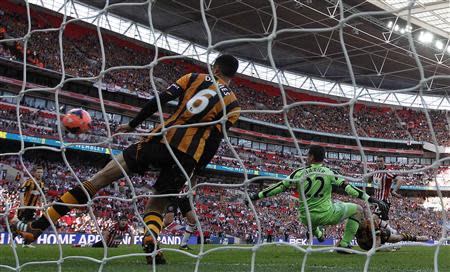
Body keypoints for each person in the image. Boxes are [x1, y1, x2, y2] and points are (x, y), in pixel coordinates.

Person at [11, 54, 241, 265]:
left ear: (216, 67)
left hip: (159, 141)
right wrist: (197, 169)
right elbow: (215, 140)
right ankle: (150, 241)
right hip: (187, 156)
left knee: (99, 179)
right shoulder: (233, 105)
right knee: (157, 204)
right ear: (232, 75)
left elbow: (159, 100)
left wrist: (133, 124)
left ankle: (39, 226)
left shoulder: (194, 78)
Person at [249, 145, 388, 253]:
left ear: (311, 157)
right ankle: (344, 245)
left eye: (308, 155)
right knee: (358, 209)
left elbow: (278, 187)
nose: (307, 157)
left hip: (305, 217)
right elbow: (348, 188)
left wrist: (256, 196)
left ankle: (319, 234)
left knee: (312, 215)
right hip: (326, 215)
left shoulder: (298, 173)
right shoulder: (329, 172)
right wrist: (372, 199)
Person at [369, 156, 403, 234]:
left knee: (374, 219)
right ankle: (393, 237)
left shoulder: (387, 172)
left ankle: (391, 233)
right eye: (377, 161)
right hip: (376, 201)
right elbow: (370, 181)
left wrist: (394, 191)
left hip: (383, 202)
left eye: (381, 161)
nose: (379, 163)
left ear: (384, 162)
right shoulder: (374, 172)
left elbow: (400, 179)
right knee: (384, 223)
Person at [355, 214, 428, 251]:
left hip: (382, 236)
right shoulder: (355, 228)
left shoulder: (371, 223)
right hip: (368, 243)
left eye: (362, 220)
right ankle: (390, 248)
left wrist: (375, 248)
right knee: (382, 248)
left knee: (398, 238)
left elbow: (378, 239)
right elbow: (361, 243)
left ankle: (417, 238)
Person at [17, 165, 46, 248]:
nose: (40, 174)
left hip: (33, 208)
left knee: (30, 225)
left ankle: (26, 243)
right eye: (38, 172)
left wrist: (41, 206)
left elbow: (40, 196)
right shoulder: (29, 182)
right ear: (34, 173)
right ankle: (12, 241)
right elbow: (21, 192)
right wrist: (22, 205)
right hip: (25, 207)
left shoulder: (42, 184)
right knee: (19, 224)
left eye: (41, 172)